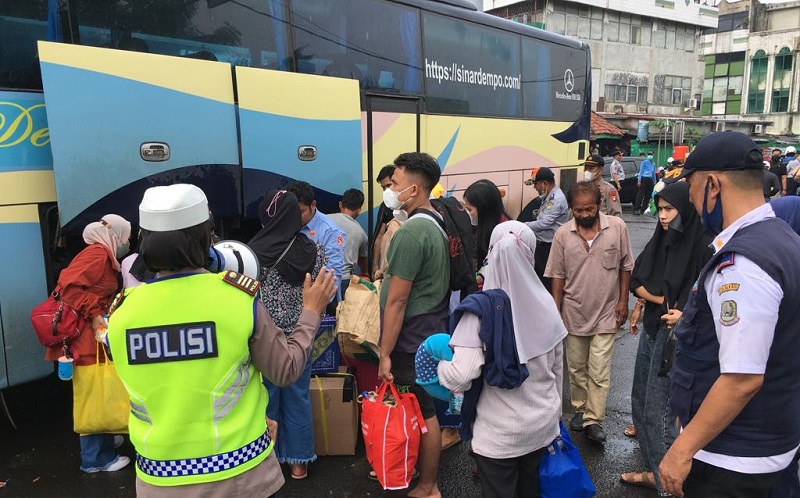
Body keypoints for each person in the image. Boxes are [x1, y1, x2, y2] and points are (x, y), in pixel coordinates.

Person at [107, 184, 336, 498]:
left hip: (157, 477)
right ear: (205, 238)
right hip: (239, 472)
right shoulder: (237, 300)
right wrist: (311, 311)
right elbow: (285, 370)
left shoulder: (122, 311)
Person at [658, 132, 800, 498]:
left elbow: (741, 379)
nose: (692, 201)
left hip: (732, 460)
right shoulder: (783, 237)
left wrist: (681, 449)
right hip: (767, 441)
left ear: (712, 185)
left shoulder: (742, 264)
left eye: (691, 190)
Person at [438, 221, 567, 498]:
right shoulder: (548, 305)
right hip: (541, 426)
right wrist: (555, 420)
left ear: (491, 254)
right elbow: (557, 371)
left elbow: (461, 376)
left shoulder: (479, 311)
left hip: (500, 436)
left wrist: (439, 365)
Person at [620, 181, 713, 496]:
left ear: (683, 210)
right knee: (640, 401)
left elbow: (708, 294)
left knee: (660, 412)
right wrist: (660, 300)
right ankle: (654, 471)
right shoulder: (662, 238)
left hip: (677, 337)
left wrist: (684, 312)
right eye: (659, 209)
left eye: (669, 209)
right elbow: (637, 279)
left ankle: (668, 485)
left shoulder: (702, 243)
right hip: (653, 325)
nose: (662, 216)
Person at [379, 152, 451, 498]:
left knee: (423, 413)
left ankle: (427, 486)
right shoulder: (436, 221)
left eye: (394, 183)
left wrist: (384, 353)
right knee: (426, 409)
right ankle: (425, 480)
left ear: (414, 188)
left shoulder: (413, 231)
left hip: (411, 339)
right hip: (430, 330)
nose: (390, 190)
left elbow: (397, 300)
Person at [545, 181, 634, 444]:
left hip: (607, 311)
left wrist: (623, 301)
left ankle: (594, 419)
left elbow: (625, 266)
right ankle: (581, 408)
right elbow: (557, 275)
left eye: (589, 209)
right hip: (574, 312)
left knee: (599, 369)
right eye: (578, 210)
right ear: (571, 209)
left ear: (600, 205)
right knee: (576, 368)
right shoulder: (562, 234)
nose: (584, 214)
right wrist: (555, 309)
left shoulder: (617, 228)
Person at [248, 189, 327, 481]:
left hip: (262, 338)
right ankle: (299, 463)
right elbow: (320, 287)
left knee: (265, 396)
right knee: (297, 396)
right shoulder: (312, 249)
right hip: (300, 334)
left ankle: (265, 460)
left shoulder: (253, 251)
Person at [44, 214, 131, 473]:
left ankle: (103, 443)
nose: (128, 242)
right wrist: (95, 314)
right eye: (126, 237)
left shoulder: (99, 254)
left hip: (88, 333)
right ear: (114, 235)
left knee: (97, 390)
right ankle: (96, 459)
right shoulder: (97, 255)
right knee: (93, 394)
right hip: (85, 335)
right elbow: (70, 287)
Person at [286, 181, 346, 310]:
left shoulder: (331, 231)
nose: (295, 217)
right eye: (292, 211)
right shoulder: (286, 224)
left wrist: (315, 302)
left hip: (320, 304)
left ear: (313, 205)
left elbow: (332, 274)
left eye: (301, 212)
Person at [524, 167, 569, 293]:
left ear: (544, 183)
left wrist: (523, 226)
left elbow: (544, 223)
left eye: (535, 184)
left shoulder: (556, 199)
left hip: (549, 246)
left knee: (547, 282)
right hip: (543, 244)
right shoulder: (549, 196)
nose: (535, 188)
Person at [463, 179, 509, 289]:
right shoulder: (482, 227)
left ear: (484, 209)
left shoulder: (503, 234)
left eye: (469, 209)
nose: (467, 214)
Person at [329, 188, 369, 295]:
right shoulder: (360, 232)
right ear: (359, 210)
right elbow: (362, 261)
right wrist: (365, 273)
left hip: (322, 277)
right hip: (344, 280)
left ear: (340, 204)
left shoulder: (324, 220)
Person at [372, 165, 402, 279]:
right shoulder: (386, 207)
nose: (386, 191)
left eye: (389, 185)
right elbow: (379, 236)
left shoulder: (409, 204)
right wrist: (375, 264)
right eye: (383, 188)